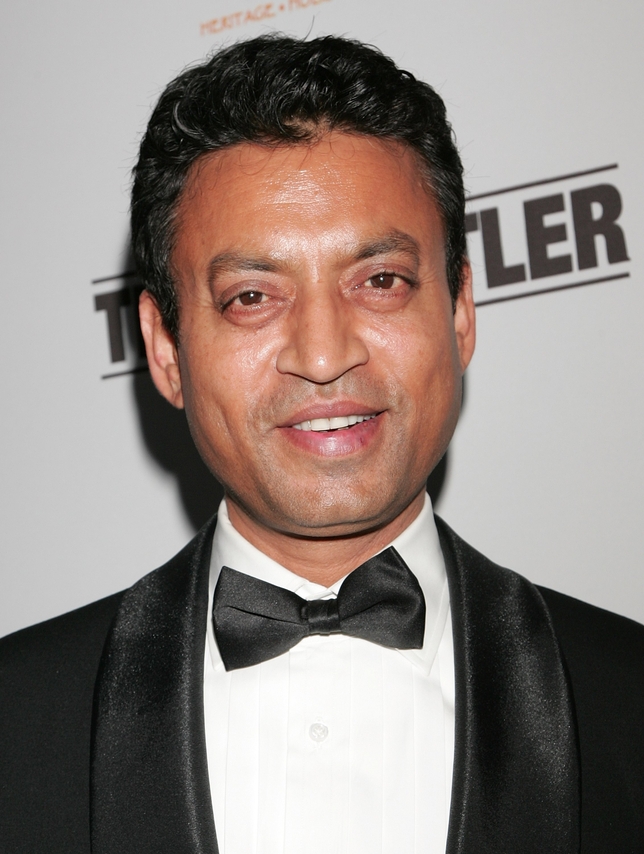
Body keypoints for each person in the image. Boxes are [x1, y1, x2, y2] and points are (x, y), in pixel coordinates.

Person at [1, 34, 642, 854]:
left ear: (459, 312)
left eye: (380, 281)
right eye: (251, 297)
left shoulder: (626, 696)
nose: (324, 353)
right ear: (164, 350)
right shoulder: (18, 721)